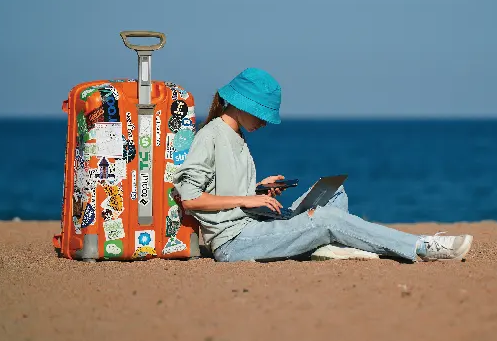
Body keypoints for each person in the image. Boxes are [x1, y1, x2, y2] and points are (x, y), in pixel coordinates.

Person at [172, 68, 474, 262]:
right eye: (261, 114)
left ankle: (320, 246)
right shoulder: (210, 136)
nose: (264, 122)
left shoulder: (235, 135)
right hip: (234, 241)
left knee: (335, 193)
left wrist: (259, 188)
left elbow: (221, 187)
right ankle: (422, 247)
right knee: (327, 219)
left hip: (255, 222)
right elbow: (191, 197)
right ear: (240, 105)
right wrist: (247, 198)